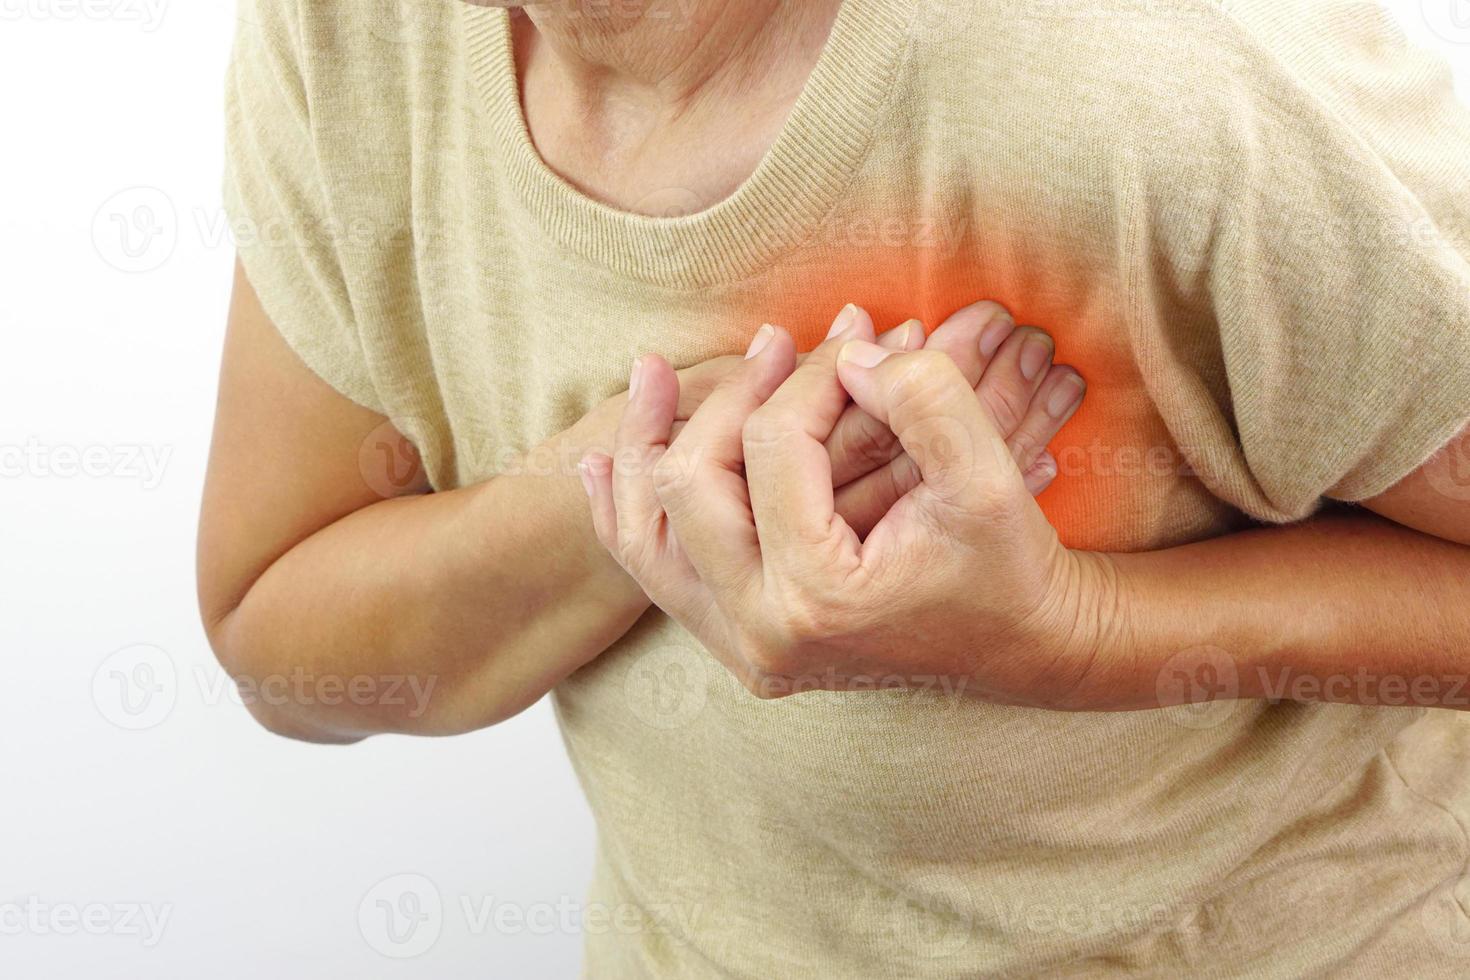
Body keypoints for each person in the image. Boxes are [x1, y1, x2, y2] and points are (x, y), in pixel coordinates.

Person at [198, 0, 1470, 973]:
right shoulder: (350, 37)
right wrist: (651, 483)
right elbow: (277, 631)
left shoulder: (1150, 86)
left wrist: (1084, 636)